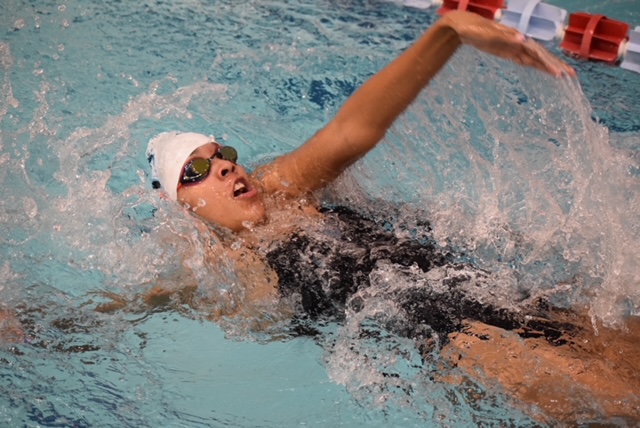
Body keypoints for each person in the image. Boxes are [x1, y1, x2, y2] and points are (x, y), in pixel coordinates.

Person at [141, 10, 639, 424]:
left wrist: (450, 32)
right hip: (451, 340)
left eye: (221, 151)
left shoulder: (283, 190)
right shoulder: (207, 261)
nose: (225, 164)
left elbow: (353, 130)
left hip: (479, 286)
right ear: (179, 209)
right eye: (197, 170)